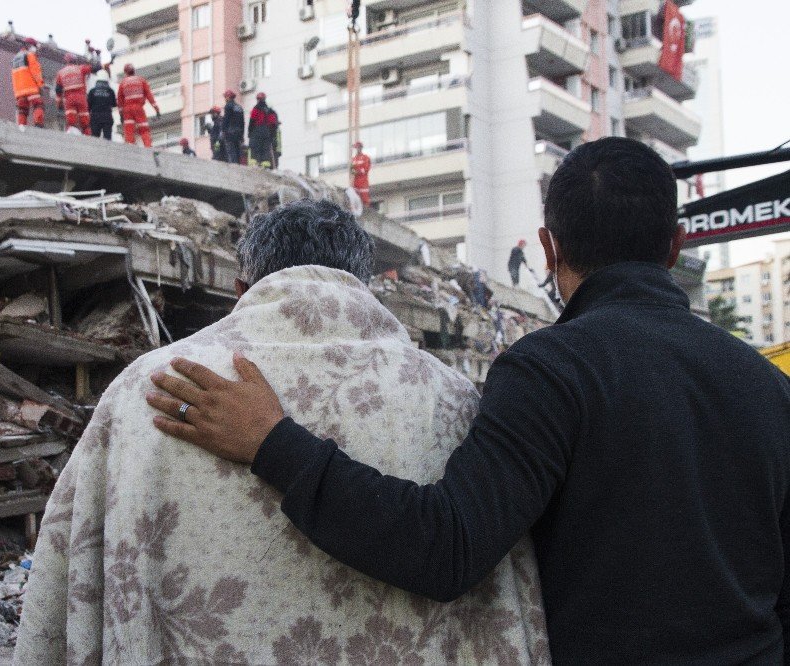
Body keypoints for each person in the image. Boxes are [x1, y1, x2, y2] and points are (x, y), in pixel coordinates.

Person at [147, 137, 790, 664]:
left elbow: (445, 546)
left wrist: (273, 443)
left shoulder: (555, 372)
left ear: (549, 247)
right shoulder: (766, 386)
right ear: (676, 244)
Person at [15, 199, 549, 665]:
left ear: (241, 288)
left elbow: (65, 581)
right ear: (362, 285)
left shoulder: (148, 390)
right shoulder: (451, 397)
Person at [56, 53, 104, 136]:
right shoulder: (80, 68)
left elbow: (58, 90)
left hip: (68, 99)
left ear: (66, 61)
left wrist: (59, 104)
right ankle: (88, 138)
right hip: (81, 97)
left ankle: (70, 139)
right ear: (75, 61)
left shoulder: (61, 73)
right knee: (85, 121)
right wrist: (99, 62)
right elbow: (95, 68)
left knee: (71, 122)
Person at [117, 63, 159, 147]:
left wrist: (121, 114)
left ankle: (130, 146)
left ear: (125, 72)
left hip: (127, 110)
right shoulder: (141, 80)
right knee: (144, 129)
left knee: (129, 129)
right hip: (139, 108)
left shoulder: (123, 83)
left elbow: (119, 100)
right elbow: (149, 96)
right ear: (134, 71)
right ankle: (148, 146)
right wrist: (157, 110)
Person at [11, 37, 45, 128]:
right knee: (38, 105)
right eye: (34, 47)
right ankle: (38, 124)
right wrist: (40, 86)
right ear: (30, 46)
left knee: (22, 110)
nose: (36, 49)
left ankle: (21, 127)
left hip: (19, 91)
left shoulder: (15, 58)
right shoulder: (30, 55)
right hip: (31, 88)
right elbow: (36, 72)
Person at [87, 70, 116, 140]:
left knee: (95, 139)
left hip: (95, 117)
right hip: (107, 117)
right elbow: (114, 104)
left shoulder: (92, 91)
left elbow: (88, 106)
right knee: (107, 139)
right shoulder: (110, 91)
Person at [248, 92, 274, 169]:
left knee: (255, 146)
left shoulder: (256, 108)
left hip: (257, 129)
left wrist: (249, 132)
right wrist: (271, 134)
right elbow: (272, 123)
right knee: (265, 147)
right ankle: (265, 164)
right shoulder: (269, 110)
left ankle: (255, 162)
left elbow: (252, 120)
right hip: (266, 131)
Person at [221, 89, 244, 164]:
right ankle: (238, 165)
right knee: (238, 151)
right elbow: (242, 122)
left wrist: (223, 130)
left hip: (230, 132)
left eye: (225, 97)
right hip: (238, 132)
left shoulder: (228, 106)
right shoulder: (239, 107)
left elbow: (226, 119)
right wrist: (242, 134)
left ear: (228, 97)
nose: (225, 99)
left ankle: (233, 166)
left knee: (231, 151)